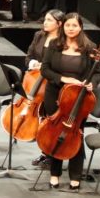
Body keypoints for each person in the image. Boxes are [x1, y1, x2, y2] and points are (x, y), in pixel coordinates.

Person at [40, 12, 100, 190]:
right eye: (68, 25)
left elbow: (97, 73)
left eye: (74, 25)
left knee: (76, 134)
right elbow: (45, 70)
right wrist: (63, 79)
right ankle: (54, 174)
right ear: (63, 26)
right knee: (55, 134)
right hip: (55, 95)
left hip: (78, 97)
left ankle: (75, 176)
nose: (70, 28)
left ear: (81, 27)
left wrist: (92, 83)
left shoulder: (90, 48)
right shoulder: (54, 44)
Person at [26, 10, 65, 167]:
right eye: (45, 19)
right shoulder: (39, 35)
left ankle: (52, 153)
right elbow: (28, 56)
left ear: (59, 24)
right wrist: (33, 63)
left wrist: (46, 67)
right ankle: (45, 152)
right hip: (36, 81)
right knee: (42, 119)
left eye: (49, 20)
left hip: (54, 84)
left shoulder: (64, 41)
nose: (45, 22)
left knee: (50, 119)